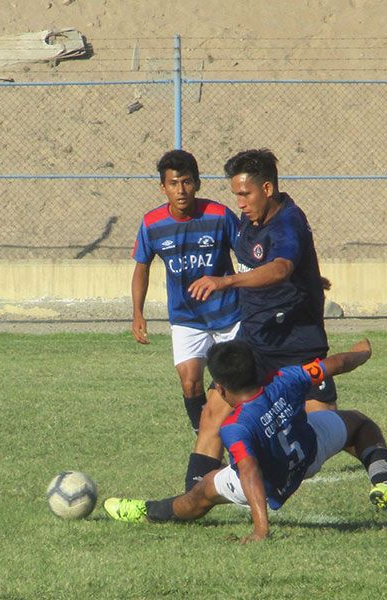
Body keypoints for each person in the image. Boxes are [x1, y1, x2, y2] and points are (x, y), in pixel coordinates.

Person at [104, 338, 387, 542]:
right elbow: (335, 365)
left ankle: (144, 510)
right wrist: (363, 352)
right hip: (309, 452)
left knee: (197, 497)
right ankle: (383, 479)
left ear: (221, 387)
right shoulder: (287, 378)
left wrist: (261, 529)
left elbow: (250, 472)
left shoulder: (235, 427)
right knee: (358, 424)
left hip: (270, 481)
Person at [184, 149, 336, 487]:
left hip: (297, 342)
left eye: (244, 193)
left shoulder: (288, 222)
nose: (239, 202)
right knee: (213, 414)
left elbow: (281, 268)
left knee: (328, 428)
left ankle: (384, 470)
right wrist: (310, 278)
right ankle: (193, 497)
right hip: (254, 340)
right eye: (235, 194)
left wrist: (225, 281)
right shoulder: (250, 220)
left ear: (267, 189)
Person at [131, 149, 243, 490]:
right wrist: (138, 313)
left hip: (229, 316)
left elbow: (249, 255)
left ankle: (240, 444)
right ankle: (207, 440)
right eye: (173, 183)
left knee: (234, 386)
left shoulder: (221, 215)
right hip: (186, 319)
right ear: (163, 188)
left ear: (197, 183)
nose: (181, 190)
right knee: (190, 382)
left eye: (187, 182)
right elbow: (142, 268)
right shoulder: (152, 224)